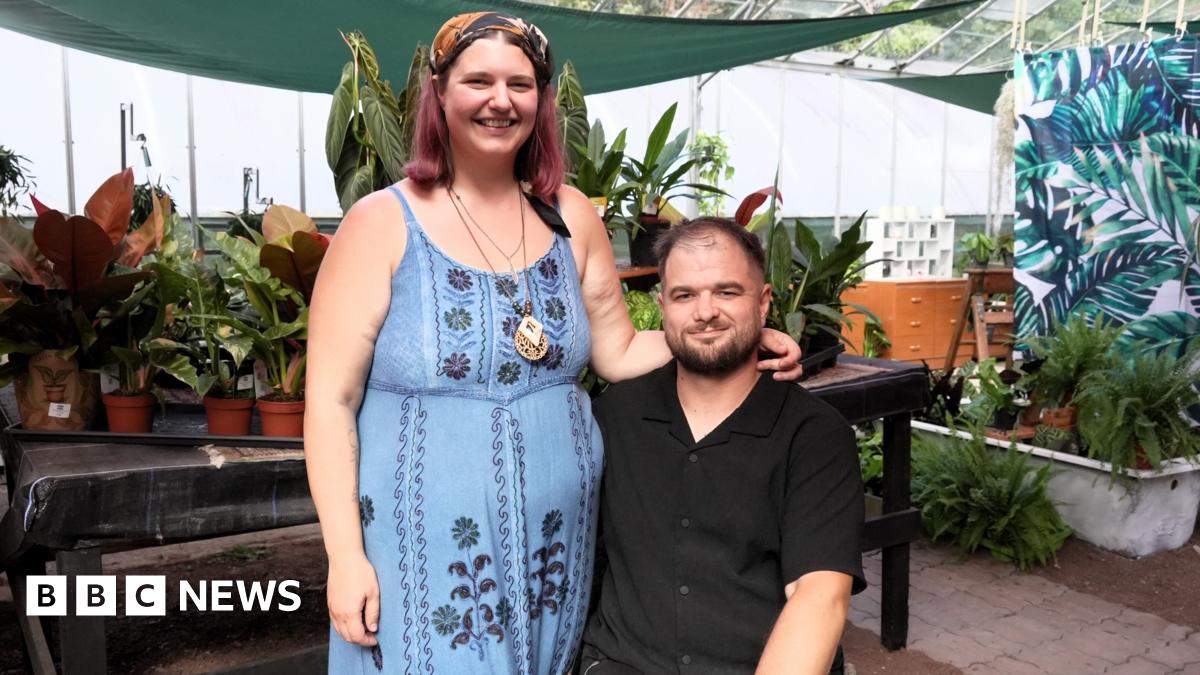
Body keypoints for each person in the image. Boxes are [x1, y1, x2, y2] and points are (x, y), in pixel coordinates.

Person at [304, 12, 805, 675]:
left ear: (541, 101)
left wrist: (738, 334)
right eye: (478, 80)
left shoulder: (570, 215)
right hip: (422, 555)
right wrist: (345, 557)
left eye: (520, 83)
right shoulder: (381, 224)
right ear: (440, 92)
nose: (499, 99)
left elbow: (618, 350)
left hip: (554, 552)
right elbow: (328, 402)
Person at [580, 217, 866, 675]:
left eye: (727, 292)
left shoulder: (812, 435)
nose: (705, 311)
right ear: (663, 306)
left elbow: (820, 597)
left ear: (763, 302)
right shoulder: (614, 417)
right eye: (685, 295)